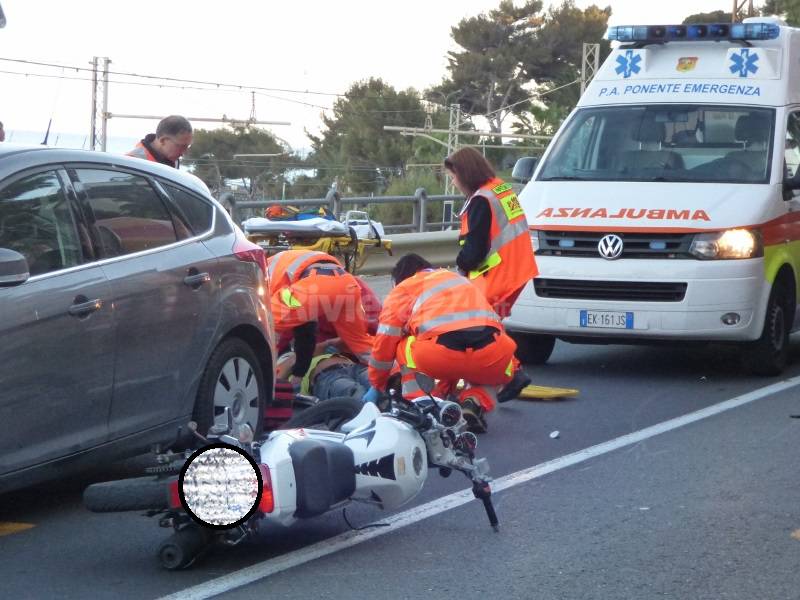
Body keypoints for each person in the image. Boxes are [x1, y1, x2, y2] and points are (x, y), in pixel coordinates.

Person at [367, 253, 519, 434]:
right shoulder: (460, 281)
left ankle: (421, 403)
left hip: (440, 355)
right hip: (495, 355)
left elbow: (385, 342)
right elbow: (477, 329)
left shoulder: (405, 288)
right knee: (486, 364)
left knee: (403, 343)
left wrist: (377, 383)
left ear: (401, 279)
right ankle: (473, 402)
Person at [444, 147, 538, 401]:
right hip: (518, 268)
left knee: (476, 329)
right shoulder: (500, 189)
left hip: (497, 274)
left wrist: (460, 264)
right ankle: (511, 372)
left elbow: (474, 251)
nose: (453, 182)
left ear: (465, 173)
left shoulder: (480, 201)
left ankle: (509, 374)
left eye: (454, 176)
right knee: (490, 327)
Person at [267, 249, 375, 384]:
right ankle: (394, 379)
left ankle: (266, 387)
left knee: (267, 327)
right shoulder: (281, 266)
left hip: (314, 285)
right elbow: (305, 332)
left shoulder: (261, 276)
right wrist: (299, 374)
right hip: (347, 284)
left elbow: (278, 332)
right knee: (362, 345)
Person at [127, 115, 192, 168]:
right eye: (181, 146)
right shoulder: (133, 163)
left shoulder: (172, 159)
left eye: (188, 146)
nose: (184, 153)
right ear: (163, 140)